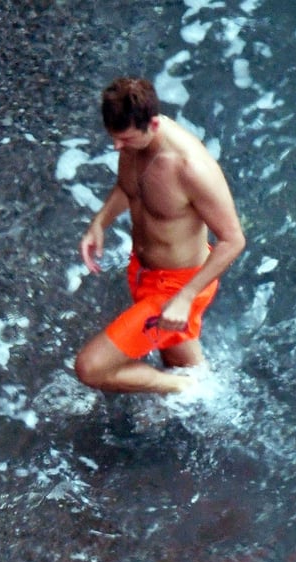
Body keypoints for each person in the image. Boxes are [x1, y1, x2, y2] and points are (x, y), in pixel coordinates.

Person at [75, 77, 245, 396]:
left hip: (177, 287)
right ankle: (204, 396)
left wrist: (185, 298)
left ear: (153, 123)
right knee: (188, 370)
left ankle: (184, 388)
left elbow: (233, 240)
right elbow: (130, 189)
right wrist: (99, 223)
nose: (116, 147)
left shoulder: (189, 168)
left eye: (124, 140)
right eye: (114, 139)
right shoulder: (133, 140)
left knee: (91, 367)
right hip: (145, 272)